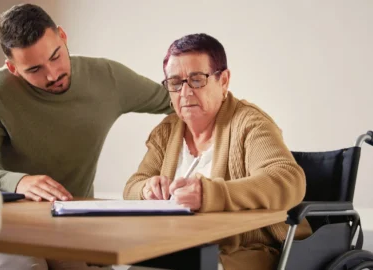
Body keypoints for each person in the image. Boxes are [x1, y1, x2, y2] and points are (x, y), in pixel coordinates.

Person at [0, 3, 171, 270]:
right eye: (34, 70)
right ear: (12, 68)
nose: (53, 74)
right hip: (6, 223)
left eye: (56, 56)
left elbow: (179, 101)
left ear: (62, 36)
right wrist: (19, 181)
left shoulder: (107, 78)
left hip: (72, 222)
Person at [123, 33, 312, 270]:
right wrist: (147, 189)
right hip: (177, 249)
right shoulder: (167, 131)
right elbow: (132, 187)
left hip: (247, 251)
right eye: (175, 83)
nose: (185, 92)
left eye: (197, 79)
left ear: (223, 81)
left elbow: (289, 179)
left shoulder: (250, 123)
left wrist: (210, 194)